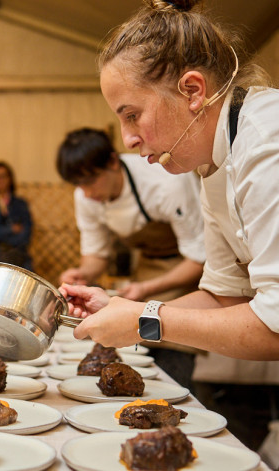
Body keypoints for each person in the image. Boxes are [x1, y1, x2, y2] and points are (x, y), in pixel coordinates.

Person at [59, 1, 279, 469]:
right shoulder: (213, 164)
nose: (127, 141)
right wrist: (120, 309)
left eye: (132, 115)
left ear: (192, 90)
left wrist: (147, 319)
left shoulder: (276, 147)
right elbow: (224, 296)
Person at [56, 128, 205, 387]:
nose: (86, 193)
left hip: (187, 273)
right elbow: (96, 255)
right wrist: (83, 274)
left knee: (173, 362)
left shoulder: (167, 183)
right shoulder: (85, 195)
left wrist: (146, 288)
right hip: (146, 271)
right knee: (138, 361)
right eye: (78, 185)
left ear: (113, 162)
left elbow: (199, 259)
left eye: (91, 181)